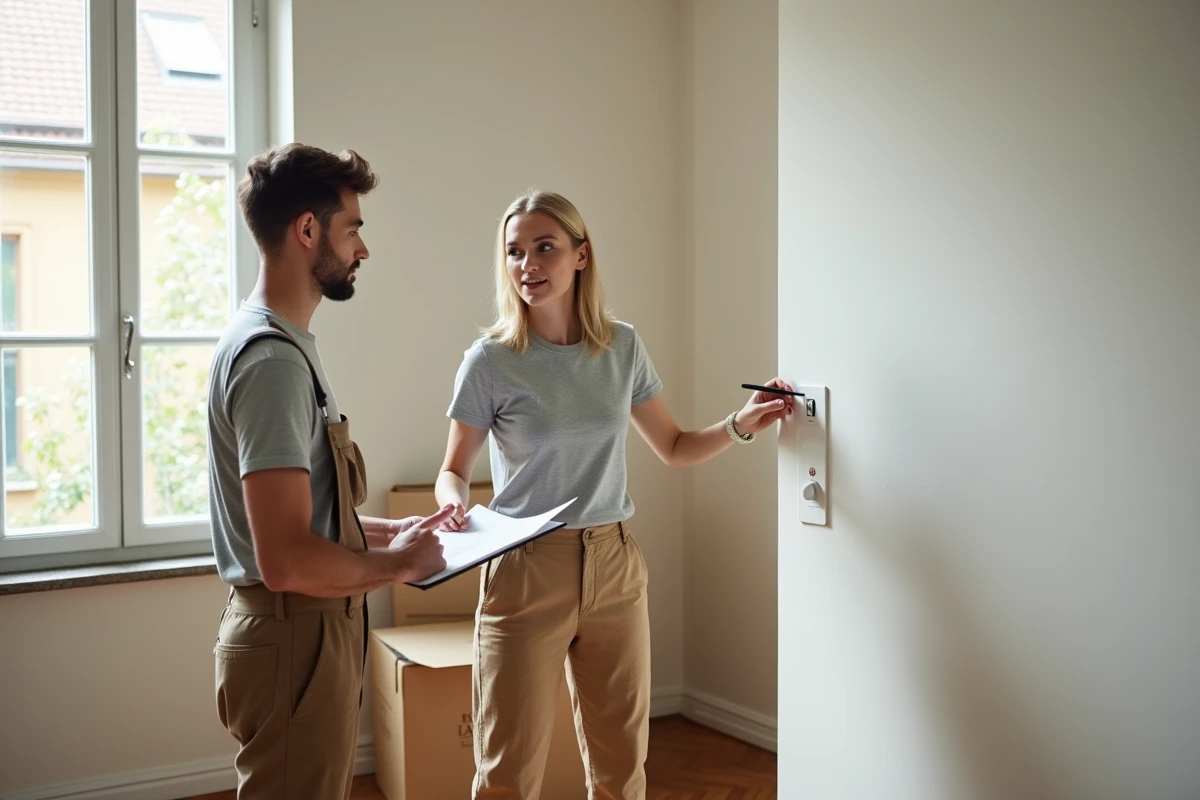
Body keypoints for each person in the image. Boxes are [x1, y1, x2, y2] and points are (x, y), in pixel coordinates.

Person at [434, 190, 794, 799]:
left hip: (616, 566)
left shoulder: (621, 347)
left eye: (545, 247)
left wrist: (740, 423)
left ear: (581, 255)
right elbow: (454, 468)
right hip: (526, 568)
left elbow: (675, 447)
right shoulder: (491, 360)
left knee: (621, 771)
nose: (528, 264)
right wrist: (452, 503)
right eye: (515, 251)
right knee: (505, 775)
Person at [207, 143, 453, 799]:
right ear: (308, 230)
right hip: (296, 640)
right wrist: (400, 565)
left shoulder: (284, 346)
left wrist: (384, 531)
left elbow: (306, 518)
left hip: (307, 637)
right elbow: (285, 558)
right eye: (354, 230)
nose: (362, 251)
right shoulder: (272, 362)